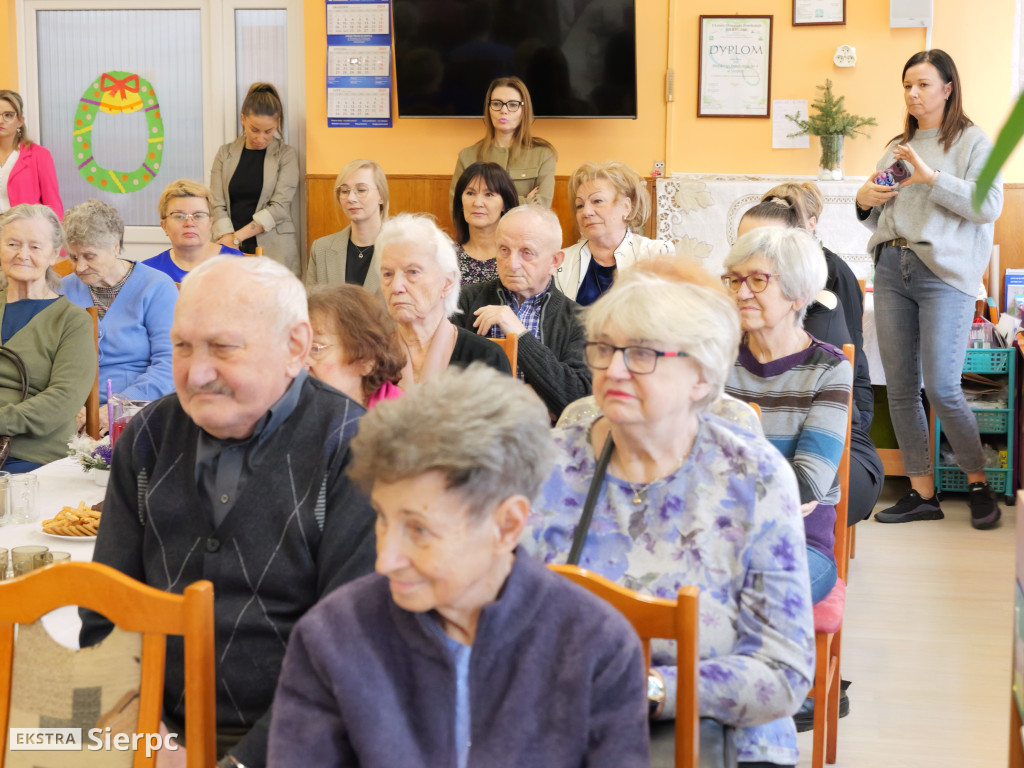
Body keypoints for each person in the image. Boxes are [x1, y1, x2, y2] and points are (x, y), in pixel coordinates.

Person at [268, 365, 650, 768]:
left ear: (506, 526)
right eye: (381, 517)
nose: (385, 559)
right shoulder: (333, 636)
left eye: (418, 529)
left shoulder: (595, 647)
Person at [80, 256, 377, 768]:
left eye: (223, 347)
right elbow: (106, 610)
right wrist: (145, 734)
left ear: (296, 347)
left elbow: (353, 650)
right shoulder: (149, 437)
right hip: (158, 727)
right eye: (182, 346)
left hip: (306, 739)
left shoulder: (353, 447)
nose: (196, 372)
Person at [522, 258, 815, 768]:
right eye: (604, 349)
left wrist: (648, 689)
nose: (612, 369)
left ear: (701, 377)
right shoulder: (545, 463)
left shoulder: (755, 477)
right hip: (565, 727)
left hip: (724, 738)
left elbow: (784, 671)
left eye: (640, 354)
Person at [855, 49, 1004, 529]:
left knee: (942, 386)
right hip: (891, 267)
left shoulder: (974, 142)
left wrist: (932, 178)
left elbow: (989, 205)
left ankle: (978, 482)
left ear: (947, 88)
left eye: (922, 84)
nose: (913, 93)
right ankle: (922, 493)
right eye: (907, 85)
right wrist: (863, 200)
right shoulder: (898, 145)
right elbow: (880, 210)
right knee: (901, 389)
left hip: (945, 275)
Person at [722, 227, 852, 612]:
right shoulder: (716, 356)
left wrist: (728, 476)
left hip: (798, 540)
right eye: (734, 279)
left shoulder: (829, 369)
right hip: (716, 528)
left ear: (798, 294)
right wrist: (776, 489)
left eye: (758, 280)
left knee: (752, 603)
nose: (741, 292)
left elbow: (809, 483)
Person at [739, 190, 883, 525]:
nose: (749, 257)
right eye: (743, 244)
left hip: (831, 449)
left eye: (764, 245)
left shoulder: (820, 302)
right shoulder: (738, 303)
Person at [454, 205, 590, 418]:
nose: (512, 264)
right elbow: (445, 382)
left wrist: (519, 334)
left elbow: (577, 400)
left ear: (555, 261)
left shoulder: (579, 319)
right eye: (504, 250)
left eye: (527, 253)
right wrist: (529, 400)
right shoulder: (467, 300)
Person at [62, 199, 178, 432]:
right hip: (72, 415)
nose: (79, 267)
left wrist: (119, 407)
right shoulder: (61, 289)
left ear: (115, 245)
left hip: (140, 411)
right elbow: (48, 362)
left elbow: (170, 364)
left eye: (89, 256)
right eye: (73, 257)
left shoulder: (156, 287)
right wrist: (68, 406)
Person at [0, 204, 95, 472]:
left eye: (35, 246)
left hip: (30, 456)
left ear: (54, 254)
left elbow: (63, 401)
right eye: (12, 243)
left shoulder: (72, 321)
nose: (22, 254)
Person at [377, 213, 511, 383]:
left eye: (412, 272)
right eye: (387, 274)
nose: (396, 287)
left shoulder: (485, 359)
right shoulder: (370, 358)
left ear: (447, 283)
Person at [556, 161, 675, 306]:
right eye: (579, 205)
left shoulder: (654, 254)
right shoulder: (561, 261)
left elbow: (665, 319)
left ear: (626, 207)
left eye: (597, 201)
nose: (586, 212)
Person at [211, 82, 300, 274]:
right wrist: (229, 240)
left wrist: (237, 237)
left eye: (268, 131)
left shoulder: (286, 155)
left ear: (277, 123)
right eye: (254, 130)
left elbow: (279, 207)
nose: (261, 138)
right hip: (228, 248)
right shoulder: (224, 154)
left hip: (274, 249)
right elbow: (217, 204)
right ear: (243, 119)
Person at [449, 76, 557, 209]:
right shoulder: (467, 156)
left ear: (524, 110)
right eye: (496, 104)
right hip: (480, 230)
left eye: (512, 105)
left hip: (524, 230)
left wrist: (488, 203)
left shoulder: (543, 155)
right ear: (488, 109)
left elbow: (541, 206)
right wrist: (522, 202)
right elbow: (457, 208)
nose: (504, 111)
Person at [306, 283, 405, 407]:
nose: (302, 364)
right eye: (296, 349)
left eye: (315, 349)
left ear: (366, 361)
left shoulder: (406, 419)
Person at [306, 159, 388, 291]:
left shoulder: (402, 248)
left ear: (381, 196)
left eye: (361, 190)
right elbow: (312, 306)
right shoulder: (321, 249)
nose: (351, 198)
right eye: (344, 191)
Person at [144, 179, 243, 283]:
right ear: (164, 226)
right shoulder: (148, 272)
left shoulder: (237, 263)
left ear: (210, 223)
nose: (189, 223)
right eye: (179, 216)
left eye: (198, 215)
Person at [451, 161, 519, 285]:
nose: (477, 203)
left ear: (505, 204)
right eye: (470, 193)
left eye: (489, 194)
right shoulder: (446, 257)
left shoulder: (517, 259)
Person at [0, 90, 62, 218]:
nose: (1, 120)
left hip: (25, 231)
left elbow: (53, 205)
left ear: (20, 121)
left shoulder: (39, 155)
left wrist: (54, 236)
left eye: (8, 115)